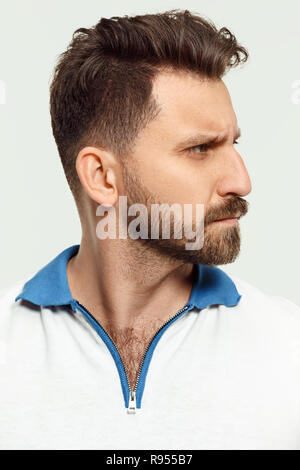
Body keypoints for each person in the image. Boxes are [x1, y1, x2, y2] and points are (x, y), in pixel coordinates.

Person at [1, 8, 300, 450]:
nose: (241, 182)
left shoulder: (288, 347)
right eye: (200, 148)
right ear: (102, 177)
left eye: (232, 143)